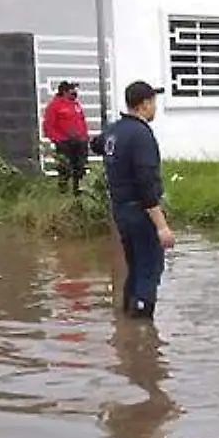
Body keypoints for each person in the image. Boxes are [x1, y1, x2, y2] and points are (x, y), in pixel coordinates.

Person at [102, 81, 175, 319]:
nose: (155, 107)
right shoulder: (142, 135)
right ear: (144, 105)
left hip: (120, 211)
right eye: (153, 102)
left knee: (134, 268)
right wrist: (162, 226)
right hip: (140, 212)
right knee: (148, 270)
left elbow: (95, 144)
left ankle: (126, 330)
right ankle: (143, 337)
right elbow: (146, 183)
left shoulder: (115, 130)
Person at [41, 81, 90, 195]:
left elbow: (82, 121)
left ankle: (78, 191)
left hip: (79, 142)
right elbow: (48, 126)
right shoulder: (54, 106)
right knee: (65, 168)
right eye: (72, 90)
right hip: (64, 143)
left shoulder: (76, 105)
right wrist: (58, 140)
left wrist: (85, 137)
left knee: (80, 167)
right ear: (64, 91)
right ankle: (63, 192)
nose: (75, 92)